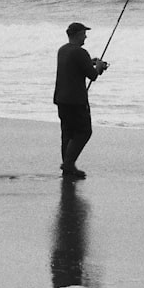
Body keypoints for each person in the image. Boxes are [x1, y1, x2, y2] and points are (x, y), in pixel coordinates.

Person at [54, 22, 108, 178]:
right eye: (84, 33)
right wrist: (98, 66)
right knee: (84, 132)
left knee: (67, 133)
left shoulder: (62, 50)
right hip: (76, 101)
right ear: (77, 35)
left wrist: (90, 62)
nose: (86, 36)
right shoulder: (80, 52)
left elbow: (75, 66)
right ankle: (68, 164)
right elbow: (93, 75)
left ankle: (68, 167)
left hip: (61, 99)